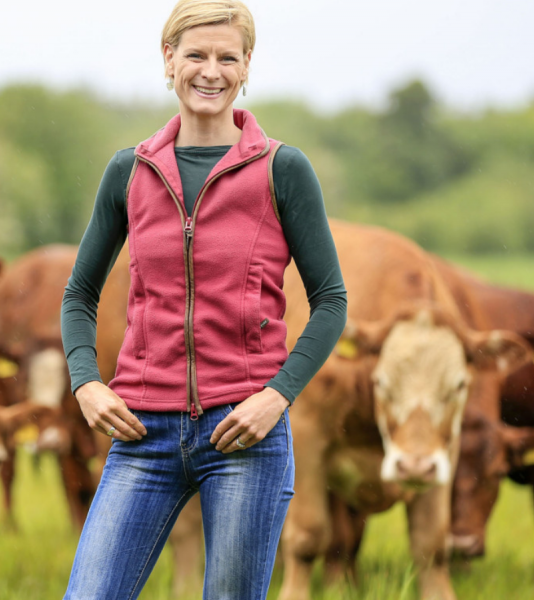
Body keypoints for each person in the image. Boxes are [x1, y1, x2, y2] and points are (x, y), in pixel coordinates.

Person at [60, 1, 347, 597]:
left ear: (246, 67)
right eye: (195, 55)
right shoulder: (131, 172)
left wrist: (276, 397)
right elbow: (79, 294)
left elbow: (331, 300)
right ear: (169, 61)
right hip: (142, 432)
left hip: (244, 435)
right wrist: (86, 381)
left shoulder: (281, 170)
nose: (210, 71)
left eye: (227, 57)